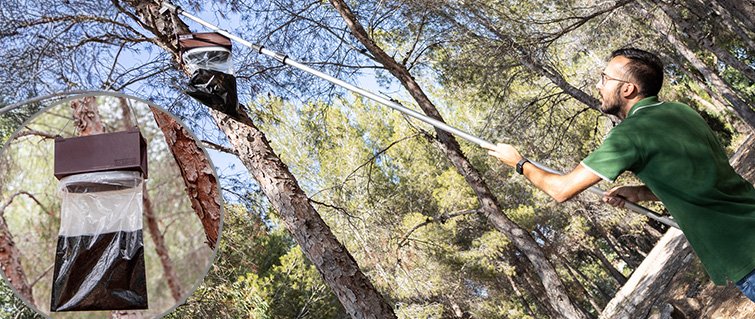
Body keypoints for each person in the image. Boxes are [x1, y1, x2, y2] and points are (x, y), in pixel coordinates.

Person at [485, 48, 755, 302]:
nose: (599, 85)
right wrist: (639, 193)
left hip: (743, 253)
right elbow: (702, 181)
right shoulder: (680, 111)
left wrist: (519, 162)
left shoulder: (628, 135)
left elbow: (561, 189)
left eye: (605, 78)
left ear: (628, 88)